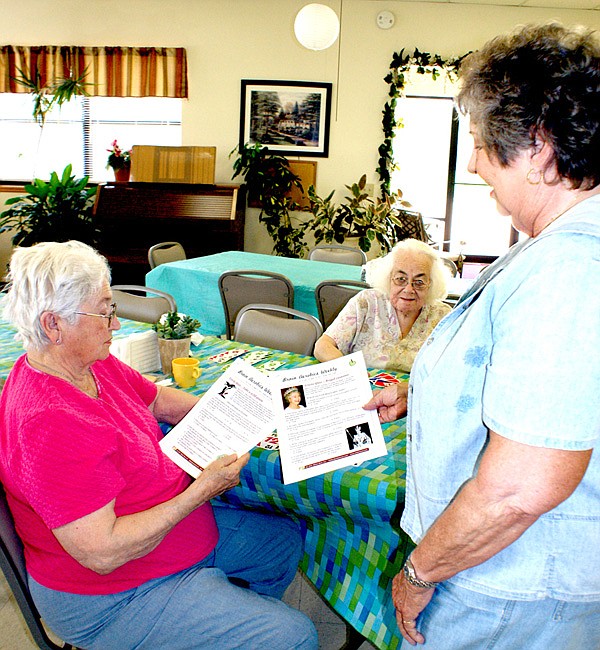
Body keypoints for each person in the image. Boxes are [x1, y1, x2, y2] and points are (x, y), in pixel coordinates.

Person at [364, 22, 600, 649]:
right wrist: (428, 394)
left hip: (512, 585)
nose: (471, 161)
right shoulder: (556, 248)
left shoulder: (570, 267)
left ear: (540, 146)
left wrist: (419, 571)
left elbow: (521, 487)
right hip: (511, 572)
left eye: (479, 141)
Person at [0, 241, 317, 650]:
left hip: (169, 539)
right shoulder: (50, 421)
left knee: (282, 541)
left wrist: (243, 406)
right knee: (294, 637)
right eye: (104, 310)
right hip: (111, 595)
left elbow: (157, 400)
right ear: (53, 326)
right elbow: (104, 553)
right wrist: (201, 490)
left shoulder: (87, 362)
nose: (115, 325)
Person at [314, 238, 451, 372]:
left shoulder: (443, 316)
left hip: (414, 393)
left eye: (419, 282)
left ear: (431, 284)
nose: (409, 289)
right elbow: (323, 346)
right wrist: (350, 370)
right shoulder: (366, 302)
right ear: (388, 278)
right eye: (400, 279)